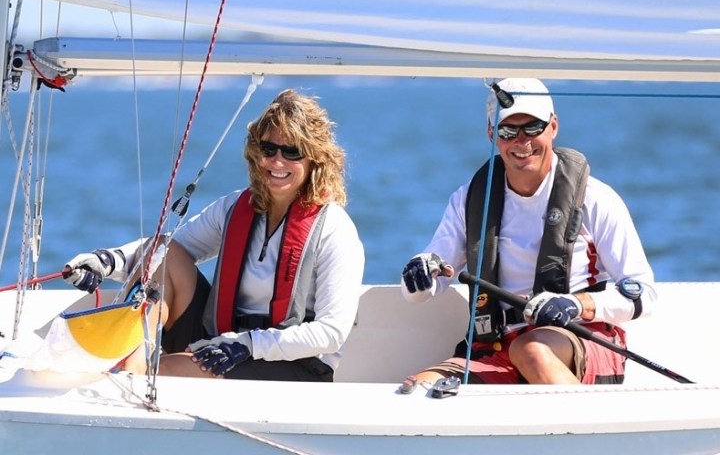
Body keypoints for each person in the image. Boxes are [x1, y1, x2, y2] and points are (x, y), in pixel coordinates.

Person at [62, 88, 365, 382]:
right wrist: (104, 262)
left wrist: (247, 344)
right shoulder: (234, 208)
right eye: (268, 149)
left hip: (294, 365)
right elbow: (164, 252)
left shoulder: (334, 229)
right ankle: (132, 365)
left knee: (165, 373)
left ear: (315, 159)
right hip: (223, 345)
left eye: (292, 152)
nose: (277, 161)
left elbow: (332, 332)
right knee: (164, 253)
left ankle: (135, 378)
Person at [400, 78, 657, 385]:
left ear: (553, 127)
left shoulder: (596, 199)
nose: (522, 142)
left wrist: (578, 304)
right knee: (418, 389)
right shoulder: (469, 200)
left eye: (533, 128)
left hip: (582, 339)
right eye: (509, 131)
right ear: (492, 134)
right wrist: (419, 275)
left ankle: (593, 428)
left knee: (532, 351)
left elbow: (645, 295)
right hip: (496, 347)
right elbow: (426, 287)